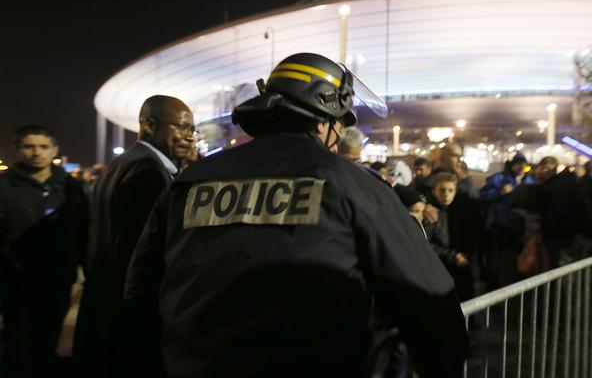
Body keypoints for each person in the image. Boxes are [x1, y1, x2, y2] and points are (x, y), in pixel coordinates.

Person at [125, 53, 468, 377]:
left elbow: (140, 290)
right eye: (339, 122)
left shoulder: (189, 181)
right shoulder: (353, 186)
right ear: (323, 121)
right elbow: (429, 300)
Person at [74, 95, 195, 377]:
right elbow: (142, 253)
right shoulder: (150, 172)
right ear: (150, 125)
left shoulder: (122, 164)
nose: (190, 137)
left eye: (193, 130)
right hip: (129, 310)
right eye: (182, 127)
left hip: (104, 298)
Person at [0, 125, 89, 377]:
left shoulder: (71, 187)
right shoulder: (4, 186)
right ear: (17, 150)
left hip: (58, 280)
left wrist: (85, 269)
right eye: (29, 146)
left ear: (54, 150)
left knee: (47, 340)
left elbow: (83, 231)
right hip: (15, 281)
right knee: (16, 343)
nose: (36, 152)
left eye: (43, 146)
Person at [479, 153, 529, 288]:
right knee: (495, 261)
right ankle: (492, 291)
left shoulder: (528, 180)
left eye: (524, 165)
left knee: (515, 262)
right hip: (498, 226)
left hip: (520, 229)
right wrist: (500, 192)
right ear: (513, 165)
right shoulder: (498, 179)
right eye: (519, 164)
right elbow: (482, 195)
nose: (521, 167)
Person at [423, 172, 475, 301]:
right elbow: (425, 243)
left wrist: (466, 254)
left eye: (451, 190)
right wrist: (452, 256)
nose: (446, 194)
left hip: (461, 263)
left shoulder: (460, 208)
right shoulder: (429, 213)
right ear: (434, 191)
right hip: (440, 268)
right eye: (442, 190)